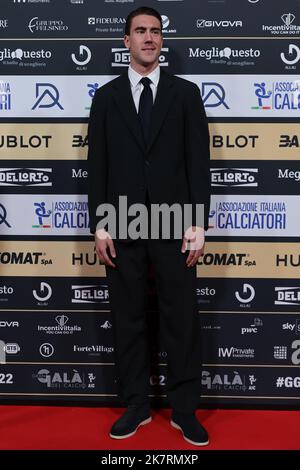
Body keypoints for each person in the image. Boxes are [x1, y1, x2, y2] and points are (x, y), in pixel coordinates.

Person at [87, 6, 211, 446]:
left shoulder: (186, 94)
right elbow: (97, 165)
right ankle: (136, 404)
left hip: (175, 222)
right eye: (140, 31)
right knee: (128, 318)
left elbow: (199, 163)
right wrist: (100, 223)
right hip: (120, 221)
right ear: (126, 41)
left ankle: (184, 410)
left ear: (162, 40)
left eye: (155, 31)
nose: (148, 38)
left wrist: (198, 221)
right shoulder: (106, 97)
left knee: (181, 319)